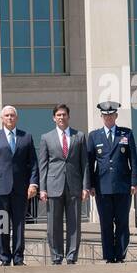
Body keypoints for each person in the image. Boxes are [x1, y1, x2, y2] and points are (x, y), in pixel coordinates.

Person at [0, 105, 40, 266]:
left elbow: (33, 164)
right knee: (2, 224)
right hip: (0, 190)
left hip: (21, 189)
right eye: (7, 115)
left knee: (19, 225)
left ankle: (18, 257)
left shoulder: (26, 137)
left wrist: (33, 184)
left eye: (12, 115)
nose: (10, 118)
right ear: (2, 118)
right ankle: (4, 258)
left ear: (17, 118)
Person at [37, 103, 90, 264]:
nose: (61, 117)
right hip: (53, 186)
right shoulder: (46, 137)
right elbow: (43, 165)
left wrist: (85, 186)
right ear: (54, 118)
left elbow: (85, 163)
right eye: (58, 115)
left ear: (68, 116)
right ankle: (56, 257)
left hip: (74, 186)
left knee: (74, 224)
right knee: (54, 225)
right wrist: (42, 188)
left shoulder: (79, 136)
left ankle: (72, 256)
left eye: (64, 114)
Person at [87, 101, 137, 262]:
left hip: (123, 186)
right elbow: (90, 163)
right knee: (106, 223)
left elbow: (134, 160)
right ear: (101, 117)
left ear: (116, 116)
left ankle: (120, 254)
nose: (108, 118)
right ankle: (109, 256)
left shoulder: (126, 134)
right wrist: (90, 185)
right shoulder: (94, 136)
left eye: (111, 115)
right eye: (105, 115)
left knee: (122, 222)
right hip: (102, 187)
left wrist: (135, 182)